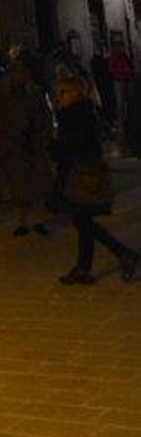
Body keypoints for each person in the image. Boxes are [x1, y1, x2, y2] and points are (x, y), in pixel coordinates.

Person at [51, 67, 139, 285]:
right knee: (83, 221)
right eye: (59, 92)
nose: (59, 97)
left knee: (83, 221)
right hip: (81, 173)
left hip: (82, 175)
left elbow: (71, 146)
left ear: (76, 93)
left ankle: (122, 254)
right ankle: (88, 266)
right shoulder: (81, 112)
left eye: (64, 92)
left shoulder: (76, 115)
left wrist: (53, 147)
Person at [0, 54, 51, 236]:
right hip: (13, 147)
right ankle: (22, 220)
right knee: (18, 187)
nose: (22, 76)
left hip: (34, 144)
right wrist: (5, 145)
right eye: (18, 72)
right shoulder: (0, 94)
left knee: (38, 185)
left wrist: (44, 137)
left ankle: (38, 220)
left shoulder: (35, 92)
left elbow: (45, 116)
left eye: (24, 72)